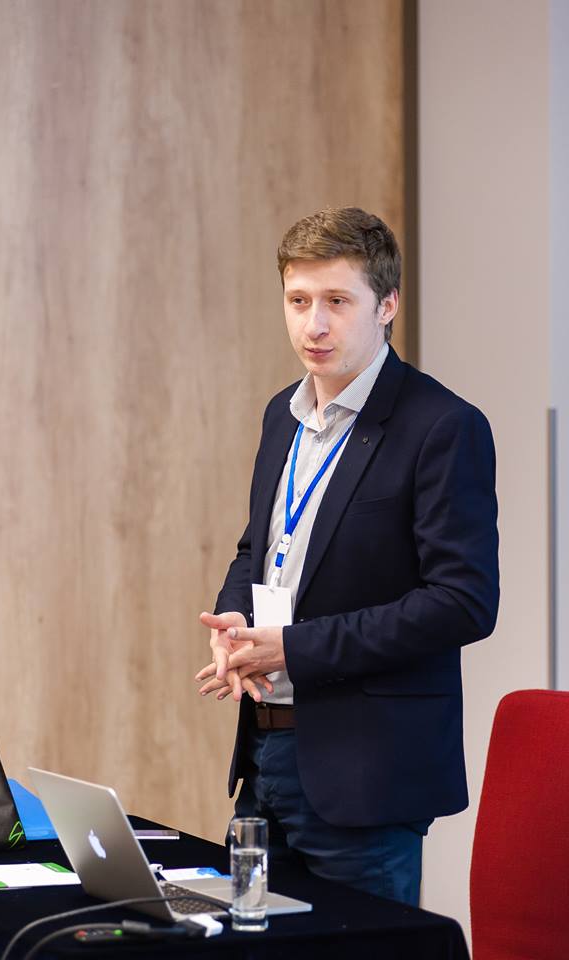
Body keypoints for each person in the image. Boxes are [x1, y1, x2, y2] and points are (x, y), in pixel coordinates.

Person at [195, 206, 499, 906]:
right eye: (298, 301)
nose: (314, 325)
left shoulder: (442, 426)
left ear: (386, 305)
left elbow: (462, 602)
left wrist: (294, 648)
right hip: (264, 755)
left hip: (367, 774)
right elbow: (258, 548)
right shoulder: (283, 414)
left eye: (337, 301)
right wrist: (235, 622)